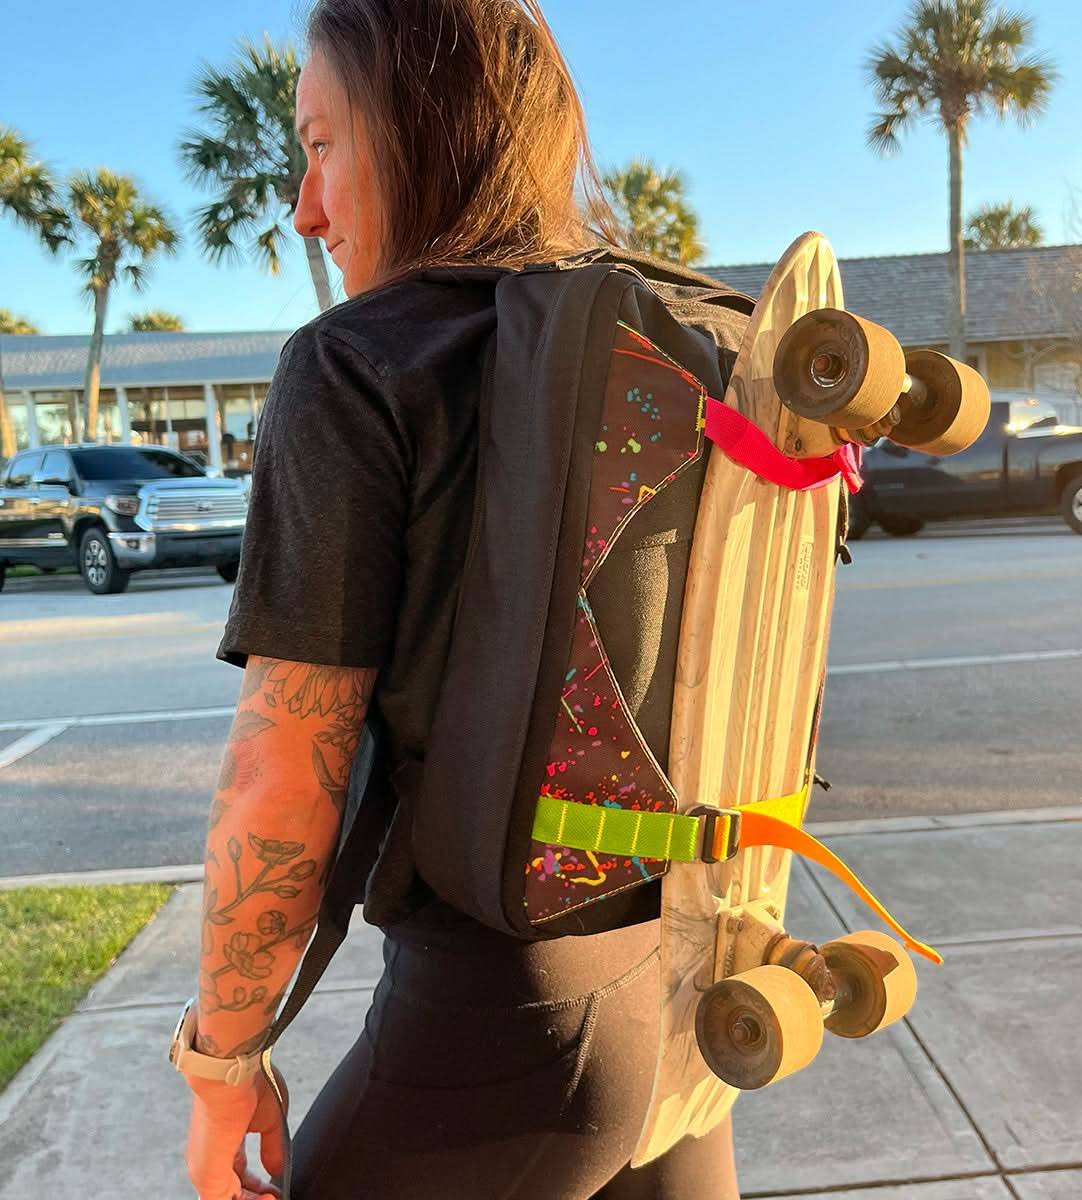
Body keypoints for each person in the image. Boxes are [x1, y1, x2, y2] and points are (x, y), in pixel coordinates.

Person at [174, 2, 742, 1198]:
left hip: (497, 1027)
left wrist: (222, 1056)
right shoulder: (682, 337)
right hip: (681, 983)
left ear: (424, 128)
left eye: (322, 145)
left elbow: (286, 775)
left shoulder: (358, 362)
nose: (305, 208)